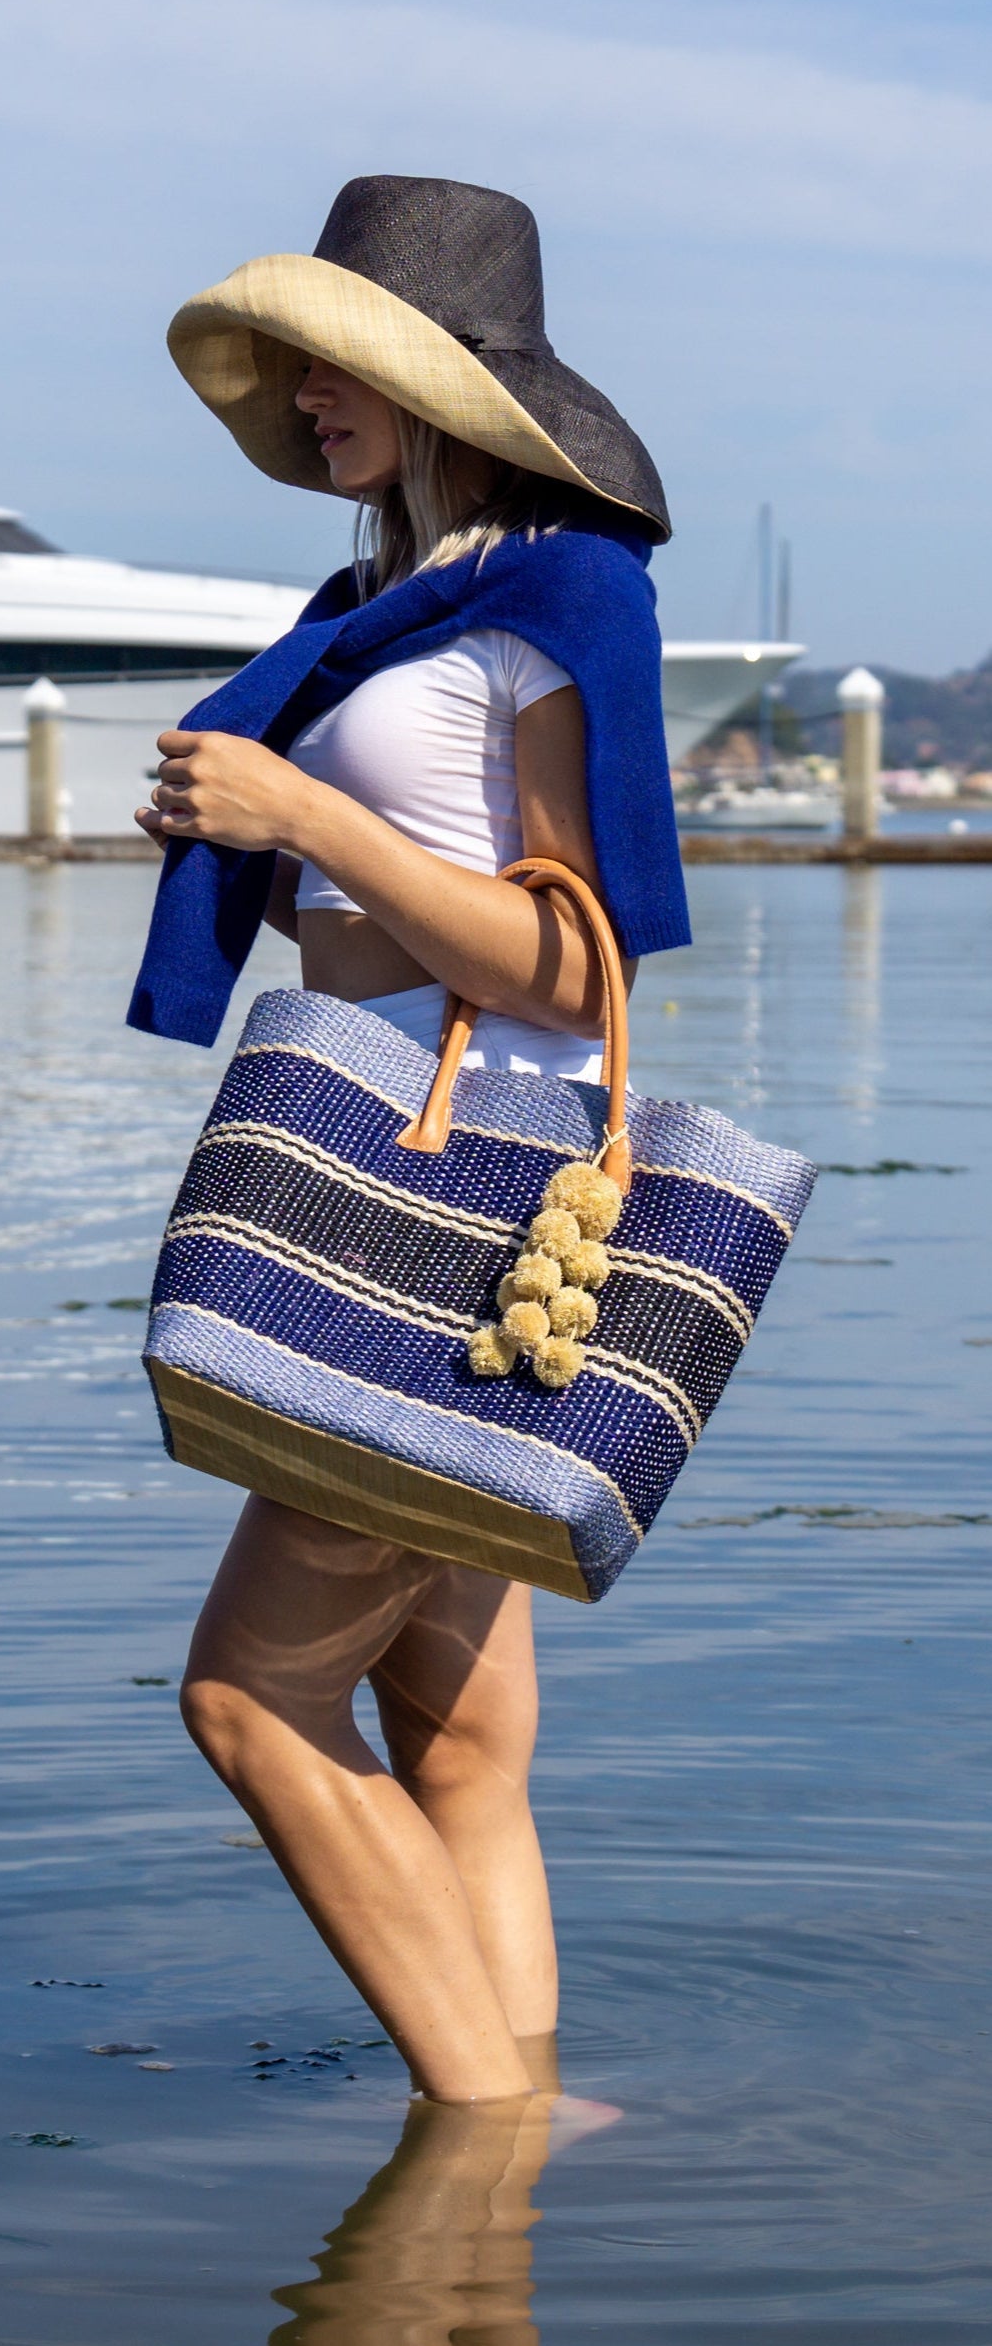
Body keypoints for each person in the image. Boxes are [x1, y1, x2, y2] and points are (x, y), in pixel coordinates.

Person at [131, 176, 688, 2104]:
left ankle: (491, 2143)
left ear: (449, 386)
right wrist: (259, 854)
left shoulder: (560, 594)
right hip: (413, 1154)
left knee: (249, 1694)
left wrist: (303, 814)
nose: (300, 394)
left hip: (461, 1198)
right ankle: (506, 2248)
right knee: (445, 1736)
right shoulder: (375, 612)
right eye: (292, 362)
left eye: (338, 359)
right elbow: (393, 937)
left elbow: (558, 952)